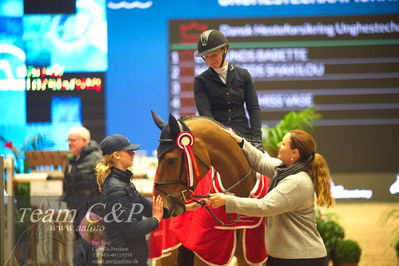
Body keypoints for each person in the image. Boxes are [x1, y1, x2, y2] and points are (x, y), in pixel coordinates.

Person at [209, 129, 334, 266]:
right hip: (288, 257)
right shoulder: (284, 170)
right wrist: (240, 142)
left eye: (284, 144)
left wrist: (227, 201)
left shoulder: (296, 182)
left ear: (294, 153)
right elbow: (260, 160)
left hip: (299, 260)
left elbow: (265, 206)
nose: (278, 145)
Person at [96, 134, 164, 266]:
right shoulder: (116, 189)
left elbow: (151, 209)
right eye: (129, 151)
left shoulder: (125, 183)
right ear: (116, 155)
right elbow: (132, 230)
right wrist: (156, 220)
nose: (133, 153)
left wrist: (185, 206)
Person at [194, 29, 264, 151]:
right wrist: (221, 134)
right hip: (216, 138)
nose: (210, 60)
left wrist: (257, 140)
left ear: (224, 49)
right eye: (207, 57)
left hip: (244, 136)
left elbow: (253, 109)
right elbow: (205, 113)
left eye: (214, 55)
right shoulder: (200, 81)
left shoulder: (243, 75)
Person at [62, 126, 103, 266]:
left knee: (79, 256)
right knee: (89, 258)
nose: (69, 143)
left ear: (85, 141)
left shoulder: (97, 159)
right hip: (76, 215)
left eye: (73, 140)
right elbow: (69, 186)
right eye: (68, 140)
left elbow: (105, 187)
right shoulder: (71, 160)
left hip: (92, 216)